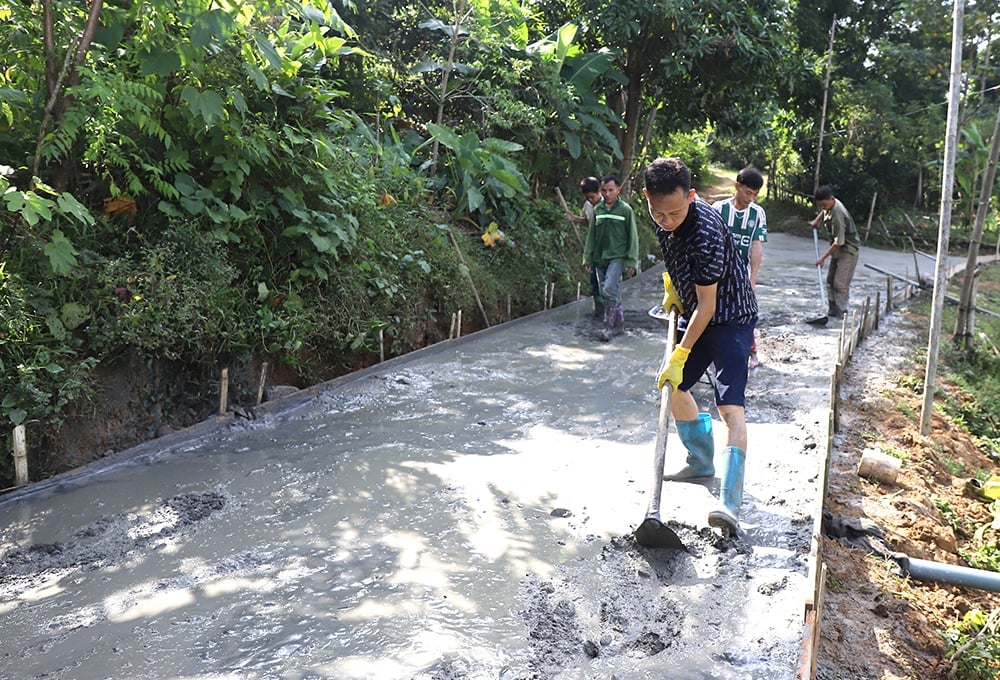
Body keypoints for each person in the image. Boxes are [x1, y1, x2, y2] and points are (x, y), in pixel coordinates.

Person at [643, 157, 758, 534]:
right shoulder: (661, 215)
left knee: (730, 407)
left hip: (731, 317)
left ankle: (730, 500)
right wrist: (675, 288)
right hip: (698, 310)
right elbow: (677, 261)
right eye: (659, 213)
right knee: (672, 386)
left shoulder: (705, 231)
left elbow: (709, 307)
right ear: (647, 198)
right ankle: (701, 461)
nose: (667, 221)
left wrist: (680, 353)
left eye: (675, 212)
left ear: (691, 197)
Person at [712, 166, 767, 367]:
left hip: (741, 274)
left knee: (745, 314)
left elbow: (756, 246)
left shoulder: (757, 213)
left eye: (755, 194)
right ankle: (711, 352)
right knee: (712, 312)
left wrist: (752, 279)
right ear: (737, 186)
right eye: (747, 192)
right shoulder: (718, 209)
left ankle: (750, 351)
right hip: (716, 273)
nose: (750, 198)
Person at [582, 173, 639, 338]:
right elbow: (591, 236)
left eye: (611, 190)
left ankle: (608, 327)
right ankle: (619, 325)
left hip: (618, 257)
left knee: (608, 290)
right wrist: (587, 257)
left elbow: (633, 237)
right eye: (604, 190)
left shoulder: (625, 211)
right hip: (600, 258)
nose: (607, 194)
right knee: (606, 292)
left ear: (618, 190)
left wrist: (631, 261)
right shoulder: (597, 210)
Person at [809, 185, 860, 318]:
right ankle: (832, 310)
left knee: (840, 283)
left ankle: (842, 312)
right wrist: (817, 220)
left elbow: (839, 242)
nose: (823, 207)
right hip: (838, 248)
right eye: (820, 205)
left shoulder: (838, 214)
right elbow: (825, 211)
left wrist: (822, 258)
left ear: (831, 199)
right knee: (830, 280)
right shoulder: (830, 204)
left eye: (824, 205)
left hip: (848, 249)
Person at [567, 177, 603, 317]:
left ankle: (611, 313)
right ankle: (599, 311)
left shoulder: (609, 205)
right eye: (588, 198)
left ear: (599, 191)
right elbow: (588, 222)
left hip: (608, 249)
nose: (591, 200)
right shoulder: (588, 205)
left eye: (593, 197)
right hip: (593, 248)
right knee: (595, 281)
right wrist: (574, 219)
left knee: (607, 283)